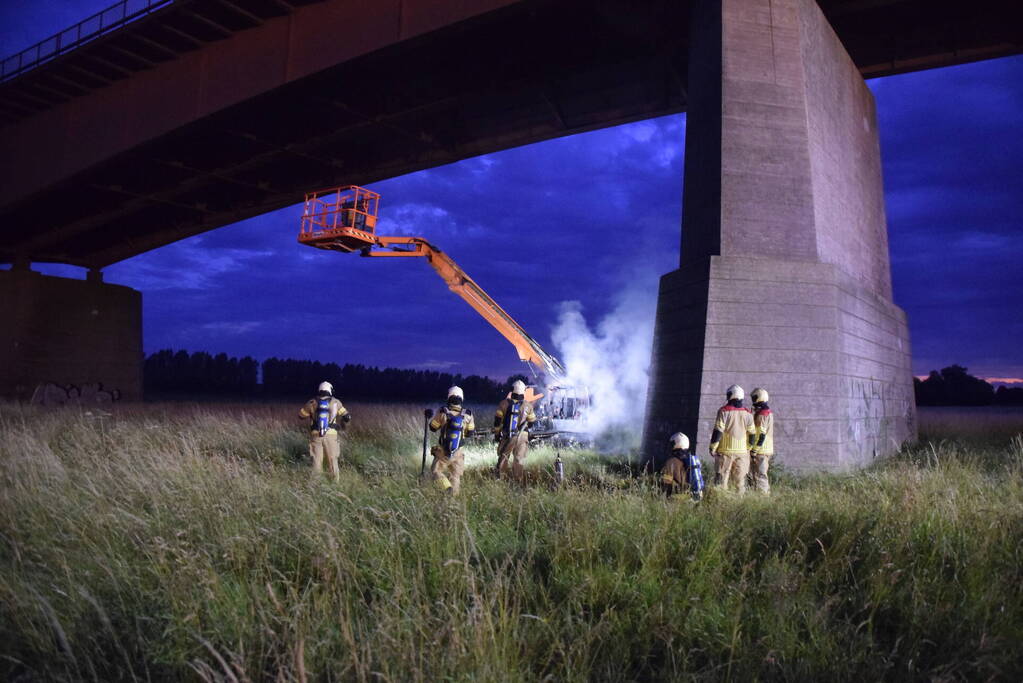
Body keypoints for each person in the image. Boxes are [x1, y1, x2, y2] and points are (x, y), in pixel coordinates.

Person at [298, 381, 350, 480]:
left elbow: (301, 415)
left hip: (316, 436)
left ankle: (316, 486)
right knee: (332, 461)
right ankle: (335, 484)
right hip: (331, 436)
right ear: (330, 390)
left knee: (316, 462)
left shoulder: (311, 402)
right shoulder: (335, 402)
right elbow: (347, 417)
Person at [708, 384, 755, 494]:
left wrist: (712, 447)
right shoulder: (748, 414)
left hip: (725, 452)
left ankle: (721, 504)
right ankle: (738, 505)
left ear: (730, 396)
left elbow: (718, 431)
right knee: (739, 483)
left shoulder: (724, 411)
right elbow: (752, 434)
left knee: (721, 481)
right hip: (742, 453)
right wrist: (748, 448)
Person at [429, 386, 475, 496]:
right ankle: (452, 499)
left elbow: (433, 427)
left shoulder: (443, 412)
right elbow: (470, 433)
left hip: (443, 451)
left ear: (449, 398)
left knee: (436, 471)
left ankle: (446, 487)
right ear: (461, 399)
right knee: (455, 476)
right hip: (459, 452)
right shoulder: (468, 414)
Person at [493, 379, 536, 483]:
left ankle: (500, 479)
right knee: (519, 459)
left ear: (512, 390)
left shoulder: (503, 404)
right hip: (522, 436)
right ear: (523, 392)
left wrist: (497, 434)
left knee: (503, 457)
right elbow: (531, 422)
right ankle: (518, 481)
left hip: (508, 435)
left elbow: (497, 422)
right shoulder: (528, 405)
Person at [750, 387, 775, 494]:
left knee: (760, 475)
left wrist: (754, 450)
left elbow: (761, 434)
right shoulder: (767, 412)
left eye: (754, 397)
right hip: (765, 449)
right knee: (758, 475)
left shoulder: (762, 414)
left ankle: (763, 497)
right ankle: (760, 496)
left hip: (761, 450)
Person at [660, 432, 700, 499]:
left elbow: (666, 485)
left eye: (672, 443)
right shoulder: (693, 460)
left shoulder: (671, 462)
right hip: (695, 496)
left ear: (676, 444)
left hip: (681, 498)